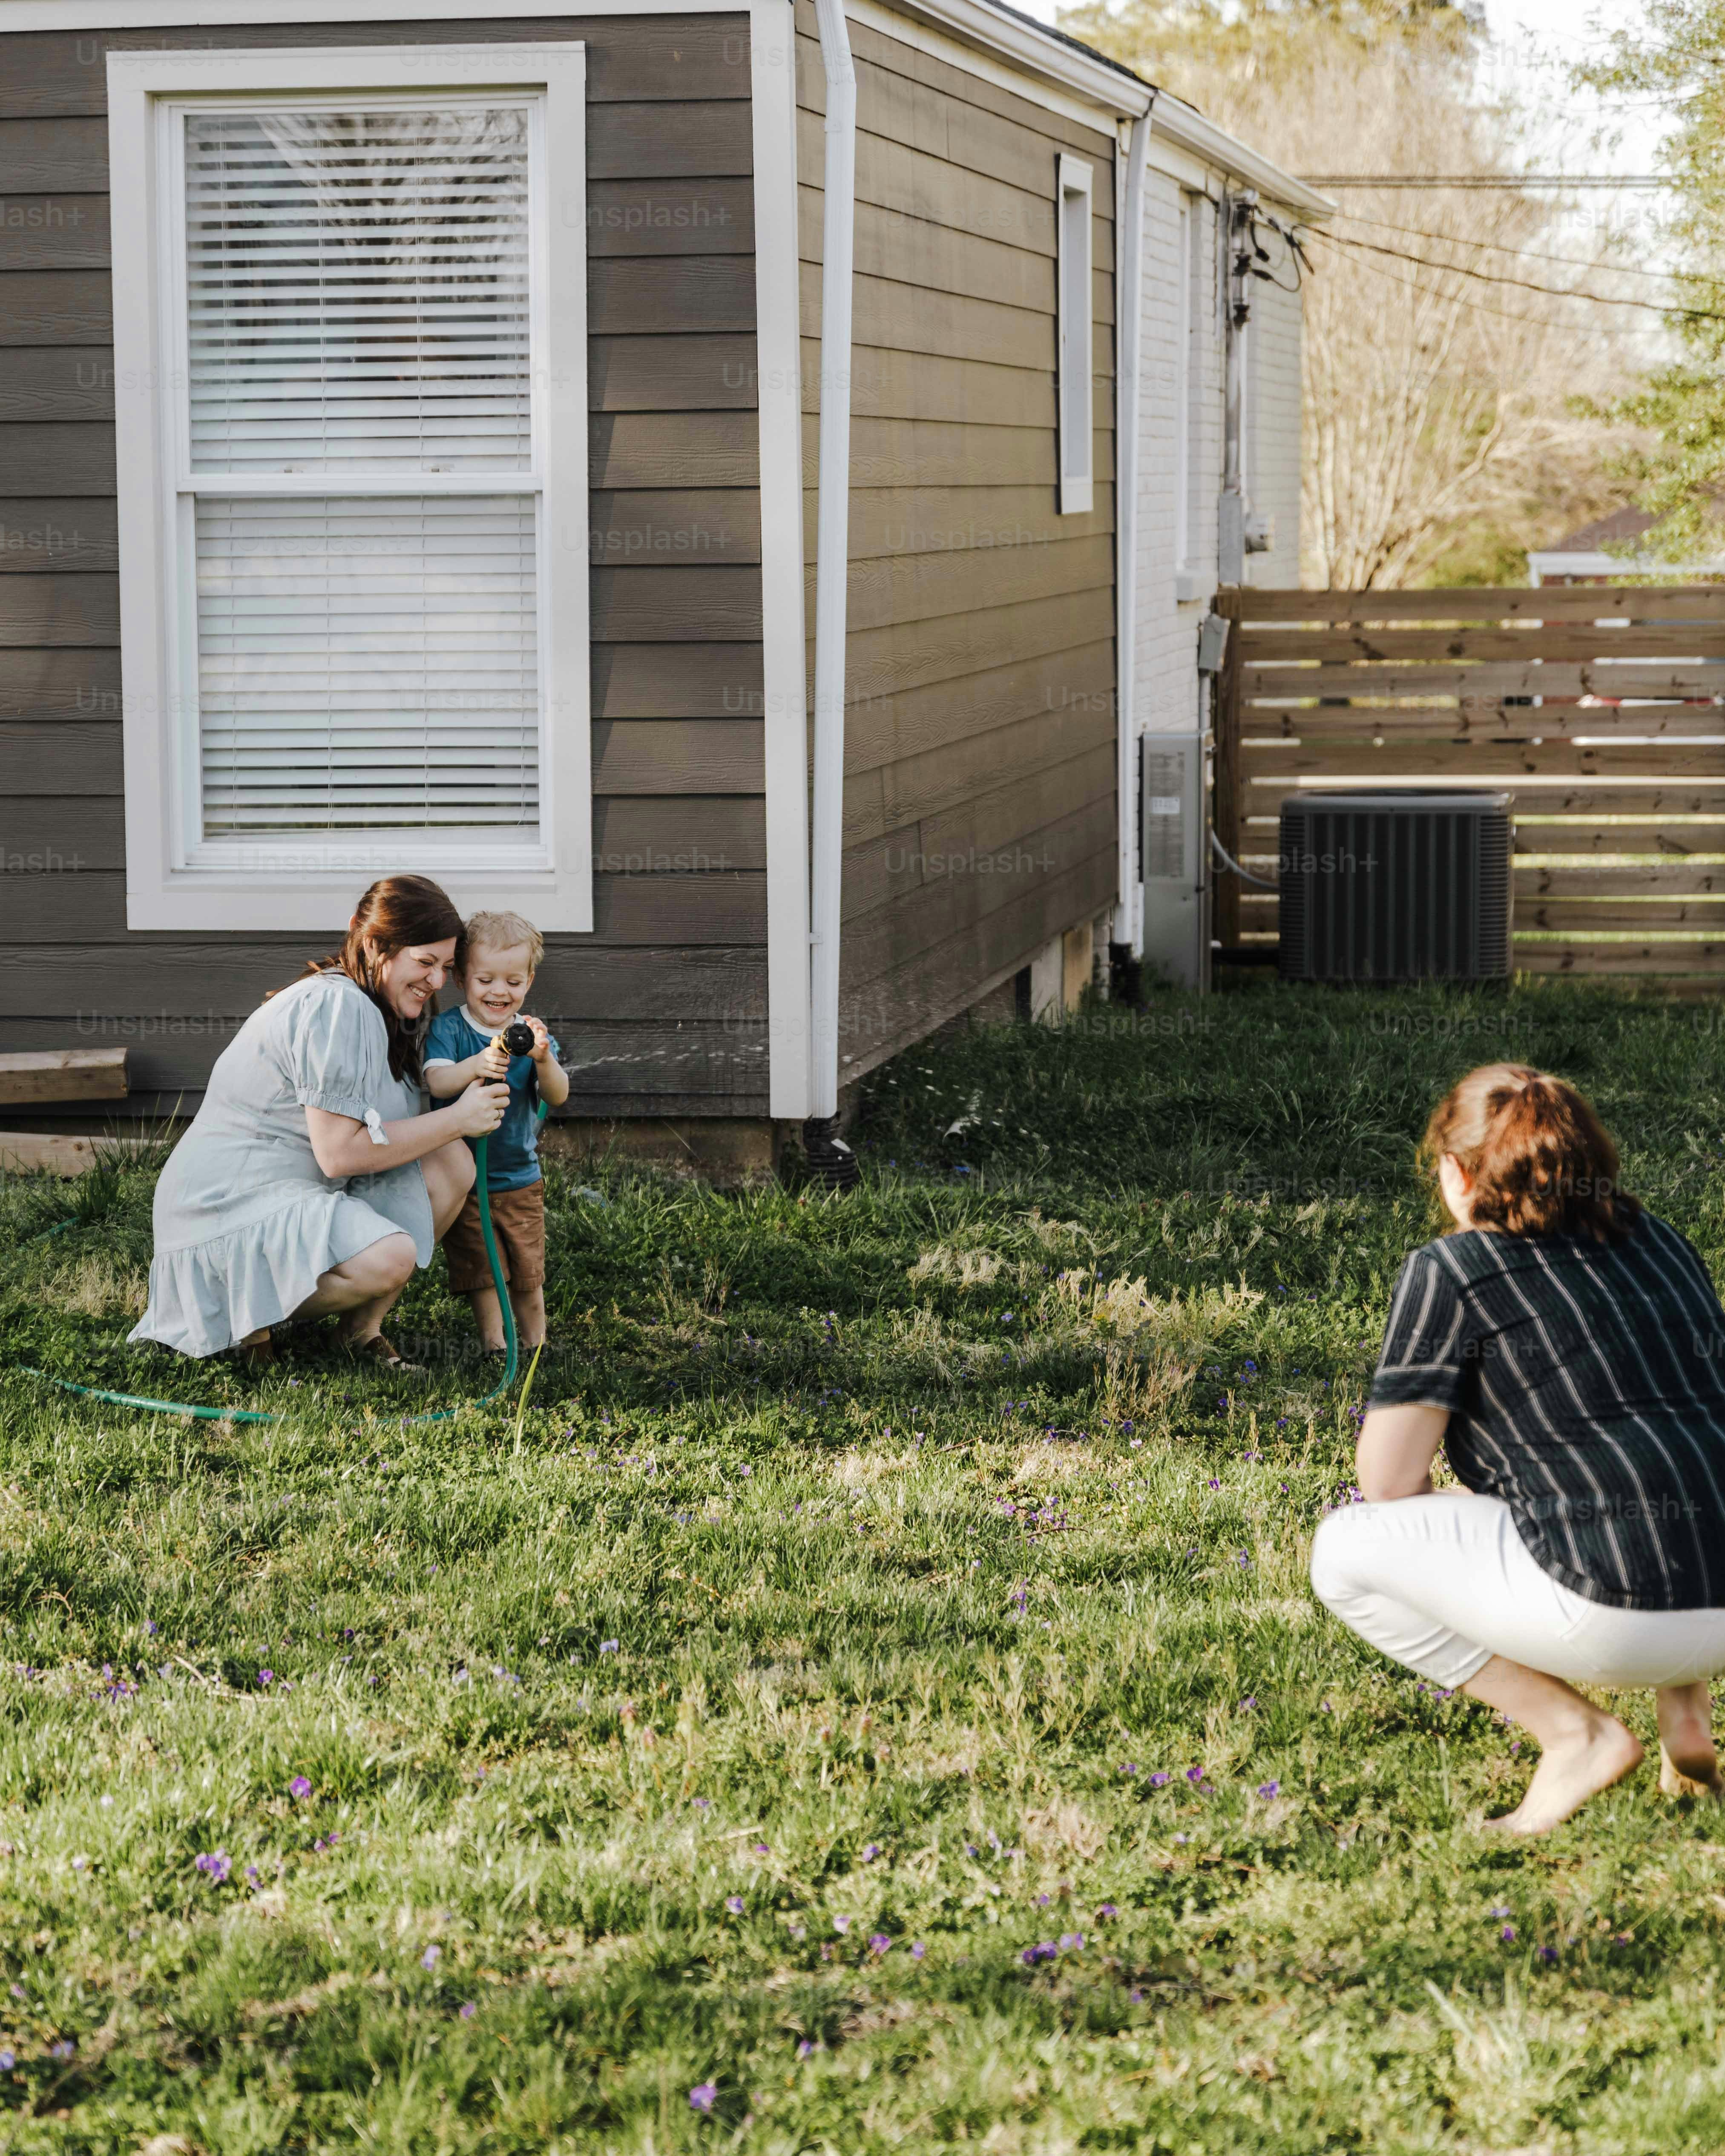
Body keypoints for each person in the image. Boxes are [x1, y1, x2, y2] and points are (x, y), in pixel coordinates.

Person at [1310, 1062, 1725, 1836]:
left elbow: (1389, 1480)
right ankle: (1687, 1713)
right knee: (1667, 1458)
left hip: (1618, 1614)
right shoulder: (1660, 1240)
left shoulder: (1453, 1270)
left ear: (1457, 1172)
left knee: (1343, 1548)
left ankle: (1578, 1735)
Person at [129, 876, 509, 1367]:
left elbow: (391, 1136)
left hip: (290, 1192)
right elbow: (340, 1154)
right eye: (425, 962)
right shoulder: (337, 1004)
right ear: (373, 944)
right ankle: (235, 1312)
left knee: (451, 1164)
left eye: (446, 967)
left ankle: (358, 1332)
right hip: (225, 1206)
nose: (438, 981)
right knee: (392, 1253)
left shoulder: (377, 1009)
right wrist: (459, 1118)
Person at [424, 909, 568, 1353]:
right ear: (461, 978)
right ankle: (494, 1345)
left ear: (528, 982)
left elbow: (557, 1095)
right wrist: (475, 1066)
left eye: (513, 981)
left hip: (520, 1178)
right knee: (484, 1273)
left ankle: (535, 1342)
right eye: (485, 979)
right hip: (465, 1182)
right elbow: (436, 1081)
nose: (499, 991)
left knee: (527, 1271)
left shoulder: (530, 1035)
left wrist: (544, 1060)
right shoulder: (449, 1028)